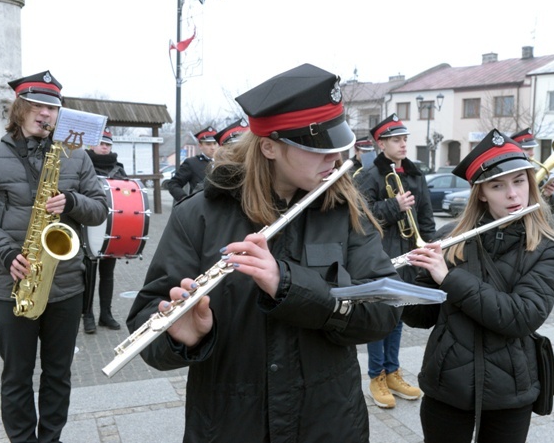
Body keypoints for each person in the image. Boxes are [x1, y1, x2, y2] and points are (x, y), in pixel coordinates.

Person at [126, 63, 403, 442]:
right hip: (228, 424)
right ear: (270, 146)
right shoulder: (198, 214)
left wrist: (288, 283)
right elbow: (146, 324)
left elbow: (383, 313)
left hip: (329, 422)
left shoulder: (345, 209)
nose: (335, 161)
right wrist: (183, 338)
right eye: (319, 149)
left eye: (339, 147)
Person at [0, 70, 108, 443]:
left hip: (67, 283)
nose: (46, 114)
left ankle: (50, 438)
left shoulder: (76, 157)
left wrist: (73, 201)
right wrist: (5, 251)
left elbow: (101, 209)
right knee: (17, 374)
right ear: (20, 109)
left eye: (53, 107)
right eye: (38, 106)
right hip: (13, 282)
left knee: (59, 373)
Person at [403, 129, 554, 443]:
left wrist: (448, 278)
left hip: (511, 388)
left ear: (531, 183)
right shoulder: (452, 237)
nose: (513, 195)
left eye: (519, 182)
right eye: (497, 185)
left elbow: (522, 316)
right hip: (447, 382)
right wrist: (404, 283)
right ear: (481, 193)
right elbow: (421, 318)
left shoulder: (548, 247)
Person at [354, 113, 436, 409]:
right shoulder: (368, 176)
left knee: (398, 315)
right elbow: (362, 217)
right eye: (396, 140)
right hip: (381, 256)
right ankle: (376, 375)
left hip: (410, 256)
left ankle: (392, 371)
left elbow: (425, 215)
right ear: (381, 143)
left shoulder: (415, 174)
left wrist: (430, 245)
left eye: (404, 139)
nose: (403, 144)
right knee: (379, 316)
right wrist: (394, 205)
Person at [81, 128, 127, 333]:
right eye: (101, 143)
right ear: (91, 145)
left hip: (112, 226)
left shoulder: (118, 168)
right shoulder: (83, 163)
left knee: (107, 273)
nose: (104, 147)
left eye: (108, 144)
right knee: (89, 273)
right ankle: (88, 315)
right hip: (88, 226)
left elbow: (127, 195)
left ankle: (105, 315)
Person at [167, 126, 218, 202]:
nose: (213, 147)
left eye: (215, 143)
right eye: (208, 144)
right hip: (201, 208)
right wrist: (184, 199)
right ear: (200, 146)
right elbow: (173, 184)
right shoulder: (192, 163)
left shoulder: (224, 162)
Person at [511, 128, 554, 208]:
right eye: (527, 149)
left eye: (532, 149)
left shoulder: (535, 173)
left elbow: (552, 210)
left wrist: (547, 195)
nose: (532, 153)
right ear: (514, 149)